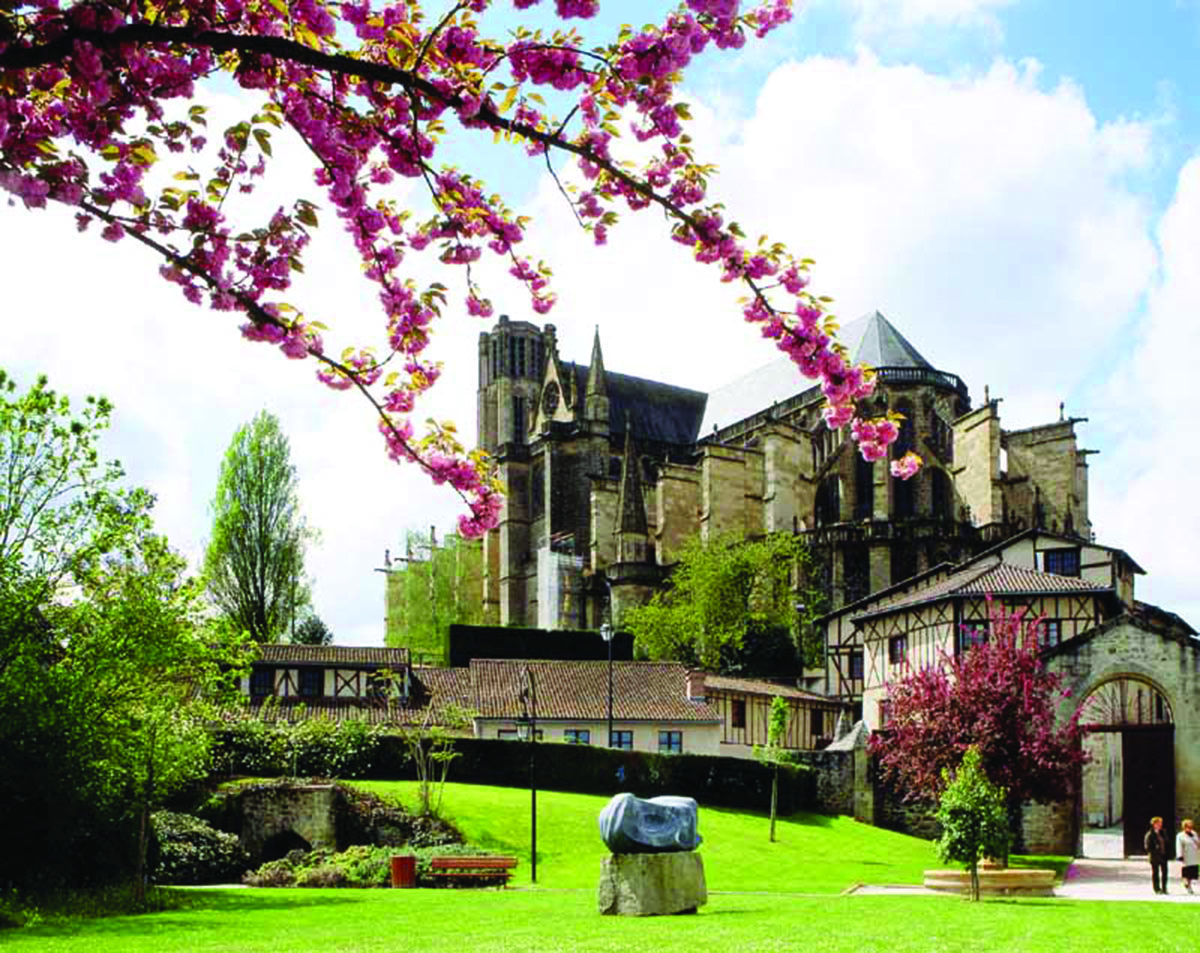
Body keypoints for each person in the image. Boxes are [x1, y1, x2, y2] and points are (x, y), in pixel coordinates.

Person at [1146, 816, 1169, 894]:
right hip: (1155, 857)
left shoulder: (1163, 832)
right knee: (1155, 873)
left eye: (1161, 823)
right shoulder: (1150, 834)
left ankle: (1164, 888)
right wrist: (1155, 849)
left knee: (1165, 873)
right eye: (1158, 823)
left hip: (1163, 856)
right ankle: (1157, 889)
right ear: (1154, 824)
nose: (1160, 825)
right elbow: (1147, 846)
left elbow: (1167, 843)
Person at [1177, 819, 1200, 895]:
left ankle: (1189, 884)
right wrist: (1180, 855)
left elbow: (1198, 843)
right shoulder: (1180, 835)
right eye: (1188, 826)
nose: (1190, 828)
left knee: (1192, 873)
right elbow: (1179, 846)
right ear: (1184, 827)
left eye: (1191, 826)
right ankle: (1188, 886)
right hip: (1186, 856)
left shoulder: (1194, 834)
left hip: (1194, 856)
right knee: (1186, 873)